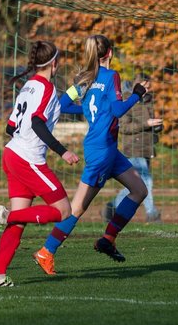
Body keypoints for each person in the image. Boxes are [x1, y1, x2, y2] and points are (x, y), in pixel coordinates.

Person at [33, 34, 151, 275]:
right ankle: (47, 250)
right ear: (109, 53)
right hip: (102, 151)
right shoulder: (111, 76)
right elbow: (118, 110)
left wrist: (88, 109)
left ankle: (108, 239)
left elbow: (63, 104)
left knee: (139, 190)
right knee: (77, 207)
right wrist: (137, 94)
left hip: (106, 148)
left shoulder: (84, 80)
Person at [0, 40, 82, 287]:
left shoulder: (28, 87)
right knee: (64, 211)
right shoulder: (46, 88)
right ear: (54, 63)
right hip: (28, 159)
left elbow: (10, 127)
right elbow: (37, 122)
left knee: (19, 221)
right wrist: (62, 151)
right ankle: (4, 215)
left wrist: (77, 90)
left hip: (12, 154)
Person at [103, 91, 163, 224]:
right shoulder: (126, 101)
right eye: (145, 85)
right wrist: (146, 124)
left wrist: (158, 126)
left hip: (147, 148)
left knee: (136, 185)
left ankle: (112, 206)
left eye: (149, 85)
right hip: (133, 149)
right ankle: (152, 214)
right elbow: (124, 127)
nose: (147, 88)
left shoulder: (148, 101)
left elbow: (151, 123)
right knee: (146, 181)